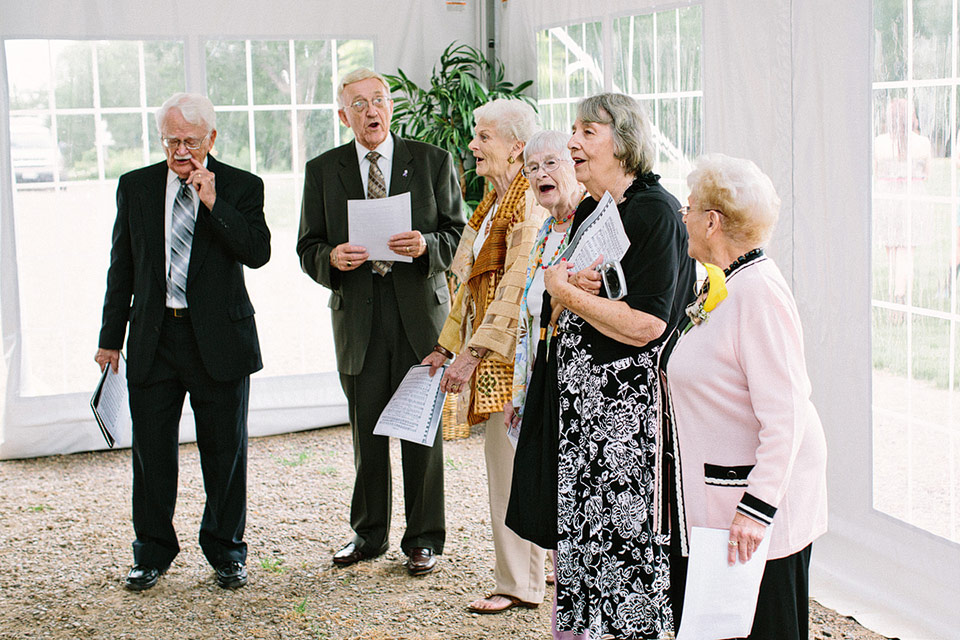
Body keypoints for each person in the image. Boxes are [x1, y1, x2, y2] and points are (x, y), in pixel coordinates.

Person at [95, 92, 271, 591]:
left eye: (191, 140)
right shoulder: (137, 186)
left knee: (225, 452)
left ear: (211, 138)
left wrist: (213, 203)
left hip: (219, 341)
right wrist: (111, 339)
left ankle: (226, 550)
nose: (181, 150)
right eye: (172, 139)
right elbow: (122, 266)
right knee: (151, 454)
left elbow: (257, 252)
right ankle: (151, 551)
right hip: (155, 337)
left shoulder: (241, 185)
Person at [296, 68, 464, 577]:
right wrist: (332, 259)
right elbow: (307, 246)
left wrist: (427, 247)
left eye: (379, 100)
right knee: (366, 433)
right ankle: (368, 536)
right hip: (359, 320)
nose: (372, 111)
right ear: (343, 114)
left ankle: (424, 539)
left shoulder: (432, 162)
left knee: (420, 434)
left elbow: (459, 236)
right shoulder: (324, 170)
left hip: (420, 319)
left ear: (390, 107)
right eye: (359, 103)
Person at [542, 93, 696, 639]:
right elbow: (572, 290)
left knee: (627, 550)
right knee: (584, 544)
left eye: (587, 131)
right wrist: (570, 287)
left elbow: (648, 325)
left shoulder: (654, 211)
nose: (572, 143)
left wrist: (565, 289)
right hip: (584, 414)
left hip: (625, 422)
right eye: (573, 131)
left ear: (624, 141)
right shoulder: (591, 208)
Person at [667, 153, 828, 639]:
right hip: (723, 490)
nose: (684, 216)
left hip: (756, 501)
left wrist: (758, 508)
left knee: (767, 627)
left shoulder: (758, 293)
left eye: (690, 207)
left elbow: (787, 412)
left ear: (712, 222)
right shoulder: (726, 283)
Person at [421, 98, 548, 613]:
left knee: (511, 470)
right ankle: (535, 572)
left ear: (517, 146)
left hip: (514, 364)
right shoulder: (493, 201)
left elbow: (513, 289)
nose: (472, 144)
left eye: (484, 136)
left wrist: (471, 355)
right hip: (495, 353)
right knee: (516, 468)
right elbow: (467, 288)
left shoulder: (527, 203)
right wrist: (445, 345)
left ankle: (519, 584)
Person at [506, 128, 584, 609]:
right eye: (532, 168)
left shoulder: (588, 224)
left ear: (575, 166)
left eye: (551, 163)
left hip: (574, 380)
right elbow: (528, 314)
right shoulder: (543, 233)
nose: (541, 175)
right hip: (540, 376)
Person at [873, 97, 931, 305]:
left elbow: (876, 171)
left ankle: (894, 291)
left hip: (887, 197)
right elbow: (927, 173)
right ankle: (899, 293)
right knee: (906, 250)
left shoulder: (879, 143)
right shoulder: (923, 143)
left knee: (892, 249)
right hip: (912, 197)